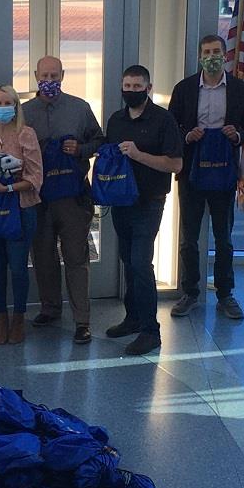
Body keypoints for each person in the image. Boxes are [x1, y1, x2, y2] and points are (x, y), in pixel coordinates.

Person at [168, 34, 244, 319]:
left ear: (224, 54)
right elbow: (170, 128)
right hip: (192, 171)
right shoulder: (184, 89)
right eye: (206, 52)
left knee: (223, 238)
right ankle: (190, 292)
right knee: (189, 238)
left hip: (224, 170)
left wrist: (238, 134)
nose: (212, 57)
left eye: (216, 51)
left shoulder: (239, 90)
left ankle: (225, 294)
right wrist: (187, 135)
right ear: (199, 56)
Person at [22, 55, 105, 345]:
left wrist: (80, 149)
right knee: (43, 256)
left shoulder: (80, 108)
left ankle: (82, 320)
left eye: (54, 76)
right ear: (36, 76)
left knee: (76, 258)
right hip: (38, 198)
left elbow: (99, 140)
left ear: (63, 76)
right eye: (45, 76)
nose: (49, 81)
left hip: (73, 198)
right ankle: (50, 308)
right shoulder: (24, 112)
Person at [104, 65, 183, 355]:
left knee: (140, 263)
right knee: (128, 261)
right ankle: (133, 318)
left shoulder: (163, 120)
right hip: (121, 201)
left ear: (149, 88)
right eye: (127, 86)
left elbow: (175, 164)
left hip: (149, 201)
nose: (131, 91)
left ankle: (151, 331)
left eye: (137, 87)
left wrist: (139, 155)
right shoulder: (116, 120)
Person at [0, 85, 43, 345]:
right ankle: (0, 317)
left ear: (16, 106)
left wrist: (7, 187)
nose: (2, 107)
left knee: (18, 267)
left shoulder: (26, 134)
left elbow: (35, 177)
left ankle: (18, 318)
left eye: (7, 103)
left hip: (20, 208)